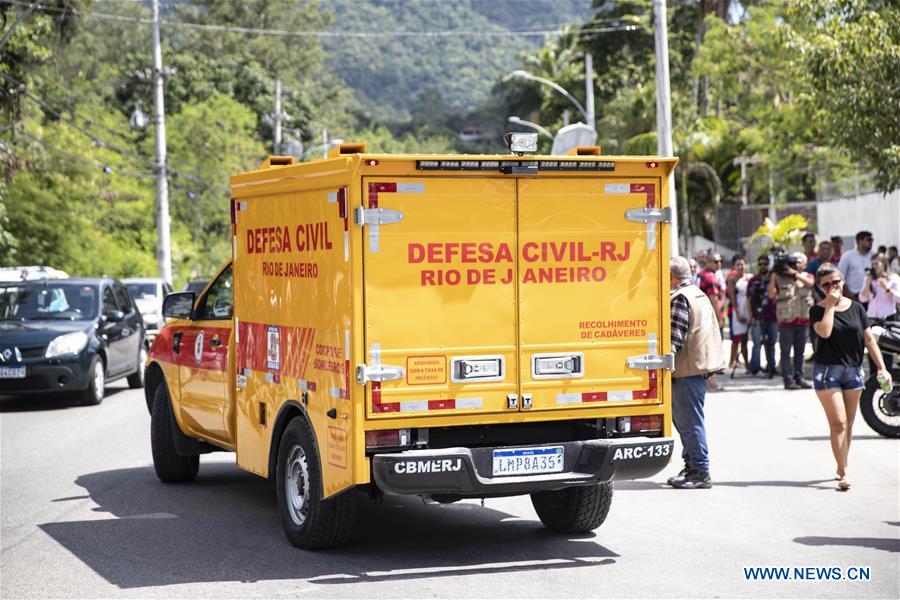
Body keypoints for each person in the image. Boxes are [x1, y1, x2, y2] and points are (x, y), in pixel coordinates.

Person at [810, 263, 891, 491]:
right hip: (827, 372)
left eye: (836, 282)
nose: (832, 287)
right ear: (820, 287)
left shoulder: (856, 308)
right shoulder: (817, 310)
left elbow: (869, 340)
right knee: (838, 422)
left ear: (842, 281)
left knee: (849, 424)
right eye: (826, 285)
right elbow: (825, 332)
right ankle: (844, 472)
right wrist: (830, 305)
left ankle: (841, 463)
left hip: (853, 371)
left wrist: (882, 368)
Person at [666, 256, 725, 490]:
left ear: (672, 277)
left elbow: (674, 338)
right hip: (697, 369)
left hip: (686, 371)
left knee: (689, 423)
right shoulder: (697, 294)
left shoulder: (680, 298)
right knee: (689, 422)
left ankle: (700, 471)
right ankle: (692, 466)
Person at [769, 252, 814, 389]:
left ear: (804, 265)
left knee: (800, 352)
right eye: (793, 263)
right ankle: (788, 380)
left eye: (799, 262)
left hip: (803, 319)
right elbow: (771, 294)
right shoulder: (779, 278)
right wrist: (774, 276)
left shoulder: (807, 276)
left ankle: (799, 377)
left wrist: (794, 273)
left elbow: (811, 284)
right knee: (786, 352)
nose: (796, 265)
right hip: (786, 321)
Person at [858, 255, 900, 371]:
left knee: (888, 348)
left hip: (887, 318)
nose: (874, 266)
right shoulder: (869, 278)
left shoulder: (893, 277)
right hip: (872, 318)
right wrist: (867, 284)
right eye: (872, 264)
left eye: (876, 264)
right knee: (872, 346)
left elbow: (898, 298)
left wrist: (887, 289)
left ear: (883, 264)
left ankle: (887, 374)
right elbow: (862, 298)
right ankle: (873, 375)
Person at [697, 253, 726, 391]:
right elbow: (713, 299)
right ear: (708, 262)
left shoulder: (701, 274)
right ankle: (711, 382)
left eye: (720, 261)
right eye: (715, 261)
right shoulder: (710, 277)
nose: (719, 263)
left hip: (702, 317)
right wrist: (719, 318)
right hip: (709, 318)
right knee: (711, 351)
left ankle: (708, 381)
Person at [748, 255, 778, 378]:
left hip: (772, 316)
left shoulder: (774, 279)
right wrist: (751, 316)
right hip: (757, 315)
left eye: (765, 264)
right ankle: (755, 367)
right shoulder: (753, 280)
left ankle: (771, 366)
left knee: (771, 343)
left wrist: (772, 277)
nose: (763, 266)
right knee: (757, 343)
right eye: (760, 264)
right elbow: (748, 299)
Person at [726, 256, 751, 375]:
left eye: (742, 264)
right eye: (738, 264)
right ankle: (733, 361)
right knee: (737, 338)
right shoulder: (732, 280)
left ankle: (747, 364)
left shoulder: (750, 278)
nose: (740, 267)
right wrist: (738, 313)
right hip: (738, 310)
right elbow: (732, 299)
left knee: (746, 339)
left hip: (749, 308)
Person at [838, 230, 875, 301]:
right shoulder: (848, 256)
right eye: (869, 240)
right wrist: (848, 293)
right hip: (853, 295)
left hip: (870, 296)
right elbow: (840, 276)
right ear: (860, 241)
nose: (871, 242)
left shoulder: (874, 256)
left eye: (872, 240)